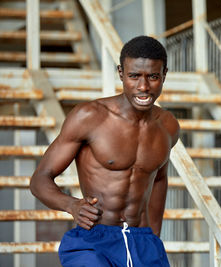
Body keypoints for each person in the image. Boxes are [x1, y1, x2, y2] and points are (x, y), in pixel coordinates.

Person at [30, 36, 179, 267]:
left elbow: (158, 179)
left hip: (143, 242)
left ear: (164, 74)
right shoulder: (90, 116)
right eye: (134, 76)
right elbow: (40, 179)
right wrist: (72, 205)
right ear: (121, 73)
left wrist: (153, 236)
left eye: (153, 76)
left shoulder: (168, 126)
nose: (143, 87)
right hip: (94, 240)